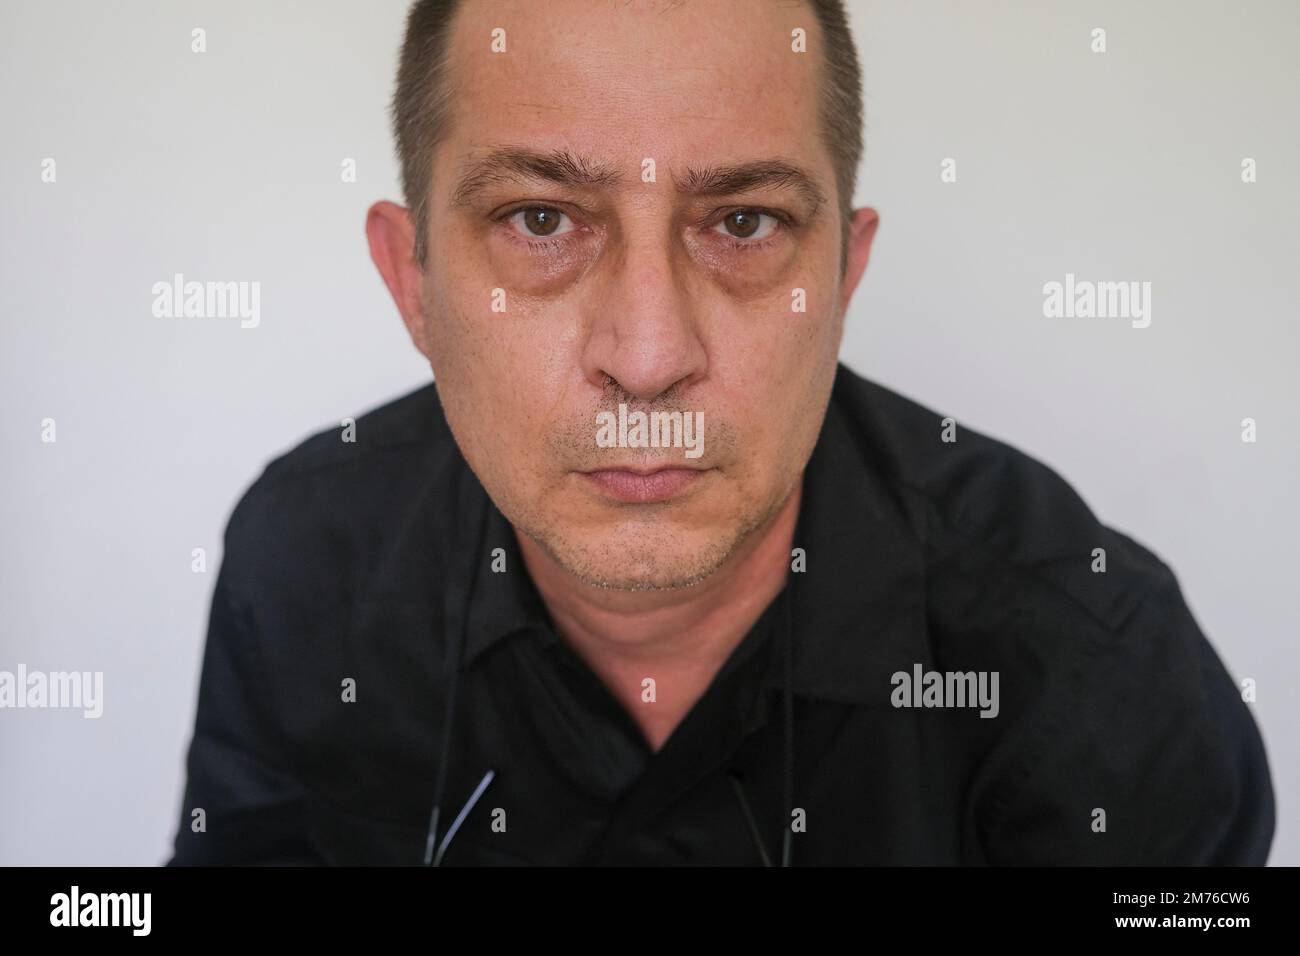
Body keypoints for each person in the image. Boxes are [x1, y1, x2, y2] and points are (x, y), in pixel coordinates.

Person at [167, 0, 1274, 866]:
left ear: (842, 275)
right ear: (412, 282)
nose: (648, 358)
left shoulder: (1096, 675)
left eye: (743, 222)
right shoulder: (305, 556)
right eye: (540, 219)